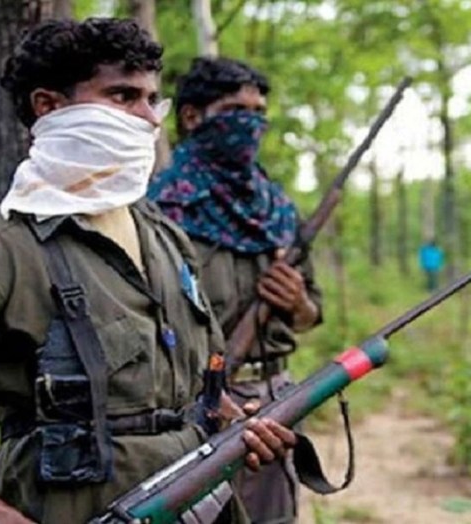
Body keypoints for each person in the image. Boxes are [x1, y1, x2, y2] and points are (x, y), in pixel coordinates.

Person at [0, 18, 296, 524]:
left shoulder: (164, 237)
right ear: (48, 106)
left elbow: (194, 388)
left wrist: (235, 423)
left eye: (152, 99)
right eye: (123, 96)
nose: (149, 118)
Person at [148, 56, 323, 524]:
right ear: (192, 117)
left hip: (275, 399)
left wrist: (297, 302)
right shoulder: (161, 211)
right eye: (235, 111)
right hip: (190, 407)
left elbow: (311, 315)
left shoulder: (277, 210)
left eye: (258, 112)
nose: (251, 123)